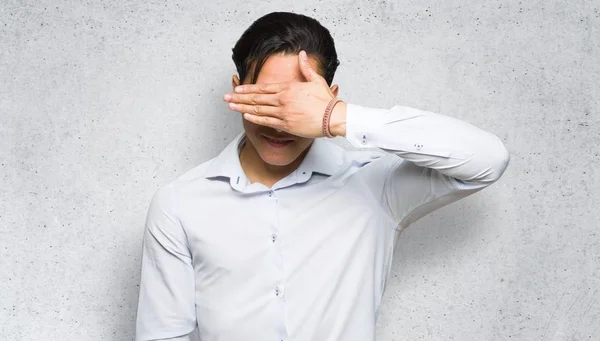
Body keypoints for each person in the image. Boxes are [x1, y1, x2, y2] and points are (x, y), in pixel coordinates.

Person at [135, 11, 509, 341]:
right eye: (267, 100)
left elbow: (487, 159)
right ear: (238, 91)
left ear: (328, 96)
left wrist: (338, 118)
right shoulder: (180, 204)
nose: (281, 122)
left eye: (297, 103)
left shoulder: (372, 185)